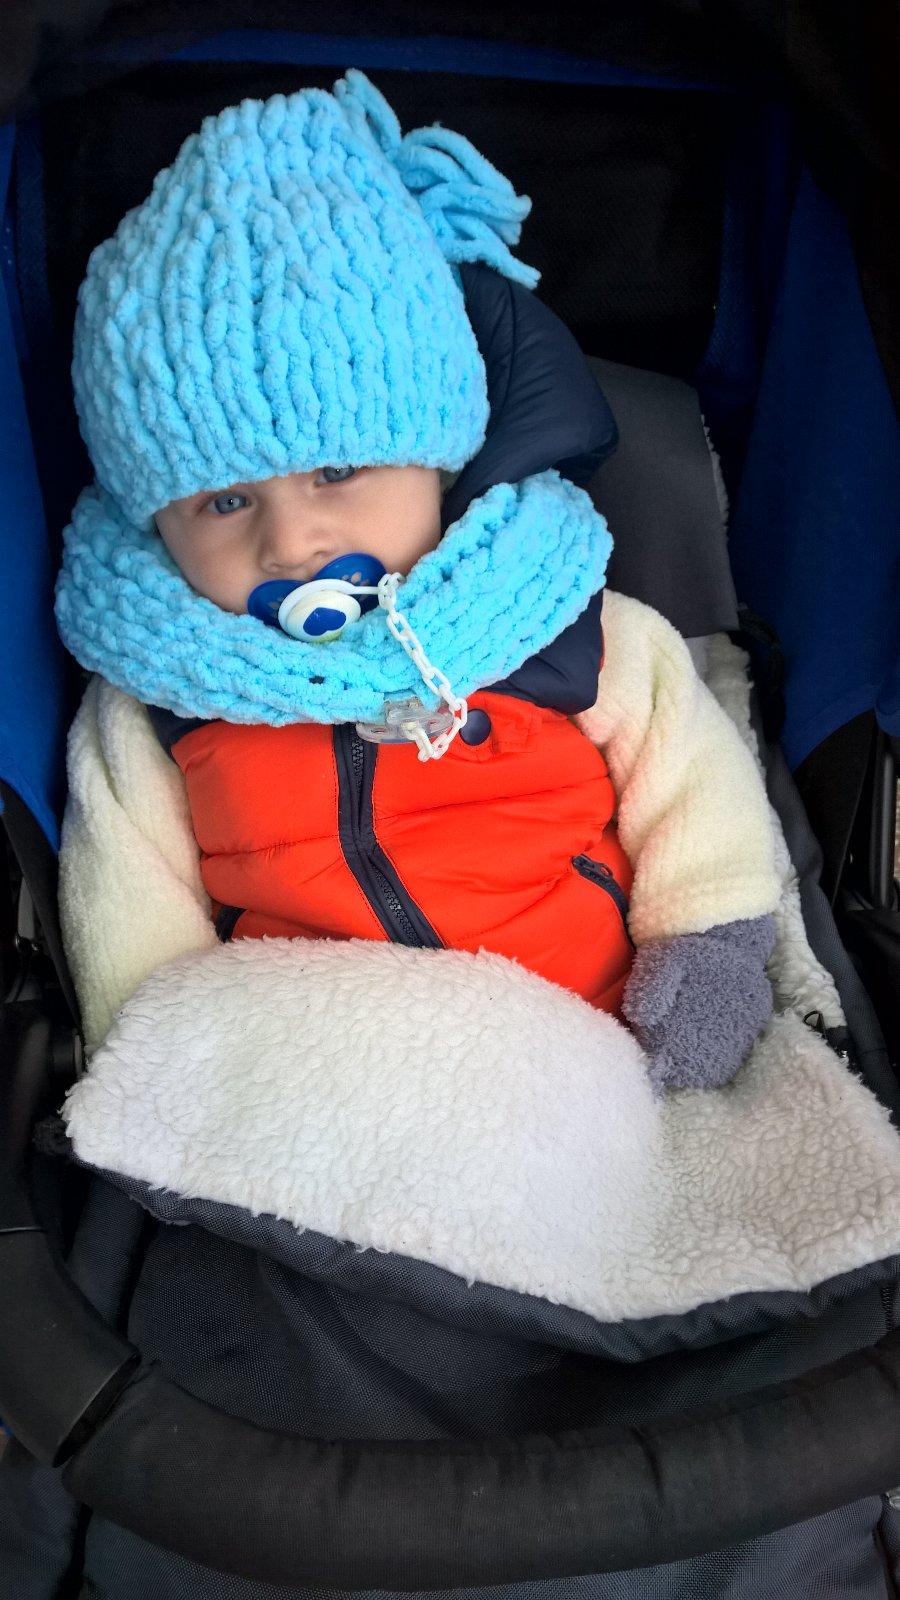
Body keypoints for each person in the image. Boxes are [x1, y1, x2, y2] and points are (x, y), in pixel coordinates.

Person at [56, 70, 780, 1091]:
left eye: (338, 472)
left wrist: (709, 942)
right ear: (154, 525)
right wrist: (157, 1060)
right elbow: (128, 898)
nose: (291, 542)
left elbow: (692, 786)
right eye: (226, 502)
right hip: (311, 1061)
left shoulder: (558, 621)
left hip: (581, 1028)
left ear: (440, 464)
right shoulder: (158, 696)